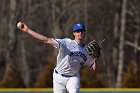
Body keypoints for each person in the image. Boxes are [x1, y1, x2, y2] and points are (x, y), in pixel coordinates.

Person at [17, 22, 97, 93]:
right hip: (58, 77)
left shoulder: (87, 51)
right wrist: (28, 30)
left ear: (84, 33)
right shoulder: (66, 43)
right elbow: (46, 40)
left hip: (73, 77)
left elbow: (92, 67)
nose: (80, 33)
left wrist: (95, 59)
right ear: (74, 33)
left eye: (82, 31)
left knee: (74, 91)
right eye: (77, 31)